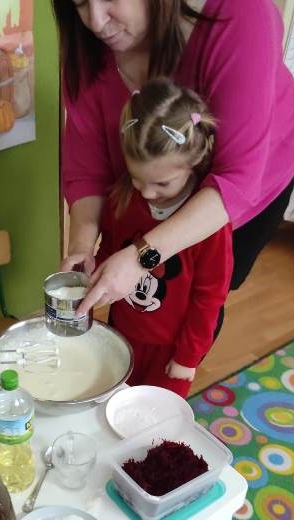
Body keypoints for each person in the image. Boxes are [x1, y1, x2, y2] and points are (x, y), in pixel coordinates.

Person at [53, 0, 294, 322]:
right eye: (80, 3)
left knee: (194, 300)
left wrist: (141, 257)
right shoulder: (87, 50)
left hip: (242, 191)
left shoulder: (241, 15)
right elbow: (87, 171)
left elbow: (237, 181)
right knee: (148, 302)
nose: (97, 22)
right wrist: (81, 246)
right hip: (155, 203)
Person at [97, 77, 232, 397]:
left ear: (194, 163)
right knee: (114, 407)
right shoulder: (122, 199)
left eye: (161, 184)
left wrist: (188, 357)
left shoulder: (209, 223)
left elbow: (209, 298)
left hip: (171, 351)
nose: (146, 192)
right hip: (121, 336)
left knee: (159, 418)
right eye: (136, 178)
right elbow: (110, 250)